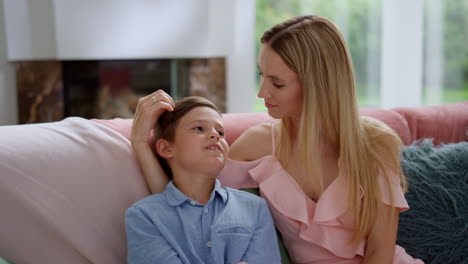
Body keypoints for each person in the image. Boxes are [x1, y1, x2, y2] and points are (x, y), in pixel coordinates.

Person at [131, 15, 423, 263]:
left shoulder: (377, 144)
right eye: (262, 75)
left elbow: (380, 255)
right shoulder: (257, 146)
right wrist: (141, 144)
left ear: (318, 86)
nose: (262, 93)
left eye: (277, 83)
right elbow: (186, 206)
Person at [126, 96, 281, 264]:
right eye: (199, 128)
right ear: (166, 148)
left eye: (221, 133)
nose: (215, 135)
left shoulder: (255, 207)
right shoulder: (144, 216)